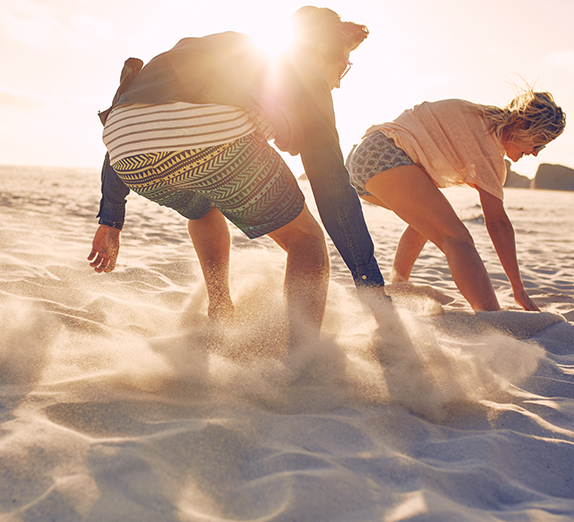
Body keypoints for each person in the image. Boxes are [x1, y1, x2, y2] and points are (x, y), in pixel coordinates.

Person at [88, 6, 385, 346]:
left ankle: (221, 311)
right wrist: (368, 281)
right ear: (320, 49)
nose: (338, 82)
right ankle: (303, 358)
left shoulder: (224, 50)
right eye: (343, 67)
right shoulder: (303, 71)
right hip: (211, 136)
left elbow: (133, 124)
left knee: (203, 209)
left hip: (126, 152)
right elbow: (331, 185)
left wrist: (110, 220)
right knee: (306, 239)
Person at [346, 90, 566, 312]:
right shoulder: (487, 149)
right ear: (520, 124)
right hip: (383, 155)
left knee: (427, 222)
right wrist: (518, 290)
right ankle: (491, 317)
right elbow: (498, 224)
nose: (536, 153)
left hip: (363, 159)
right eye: (538, 143)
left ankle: (399, 285)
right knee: (457, 238)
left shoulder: (475, 113)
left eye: (543, 147)